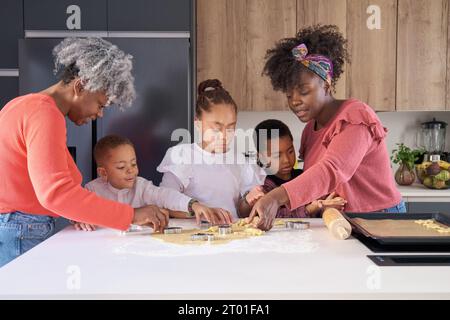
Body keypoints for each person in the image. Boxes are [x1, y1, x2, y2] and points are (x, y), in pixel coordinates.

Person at [0, 38, 167, 267]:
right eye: (100, 104)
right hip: (24, 230)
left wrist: (79, 211)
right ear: (80, 86)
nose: (100, 114)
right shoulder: (45, 115)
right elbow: (56, 193)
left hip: (14, 227)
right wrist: (132, 215)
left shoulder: (20, 105)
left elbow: (30, 182)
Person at [249, 25, 405, 231]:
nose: (294, 101)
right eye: (289, 95)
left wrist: (276, 197)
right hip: (340, 221)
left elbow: (331, 170)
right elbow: (316, 184)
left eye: (303, 91)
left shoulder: (355, 117)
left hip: (379, 218)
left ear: (327, 83)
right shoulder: (310, 129)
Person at [157, 79, 266, 220]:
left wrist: (248, 200)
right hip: (193, 236)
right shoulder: (182, 156)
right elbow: (164, 201)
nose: (224, 135)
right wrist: (199, 210)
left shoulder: (241, 162)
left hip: (232, 235)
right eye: (216, 128)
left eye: (231, 127)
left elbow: (242, 212)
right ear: (198, 124)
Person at [72, 135, 230, 231]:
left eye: (133, 164)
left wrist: (193, 205)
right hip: (102, 248)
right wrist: (78, 218)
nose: (131, 171)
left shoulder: (141, 187)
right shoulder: (91, 190)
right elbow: (72, 207)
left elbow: (165, 196)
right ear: (103, 173)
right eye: (122, 167)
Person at [249, 119, 346, 219]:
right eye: (277, 155)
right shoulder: (263, 186)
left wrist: (326, 204)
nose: (286, 160)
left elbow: (321, 202)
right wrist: (313, 207)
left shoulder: (303, 176)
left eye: (290, 151)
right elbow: (275, 216)